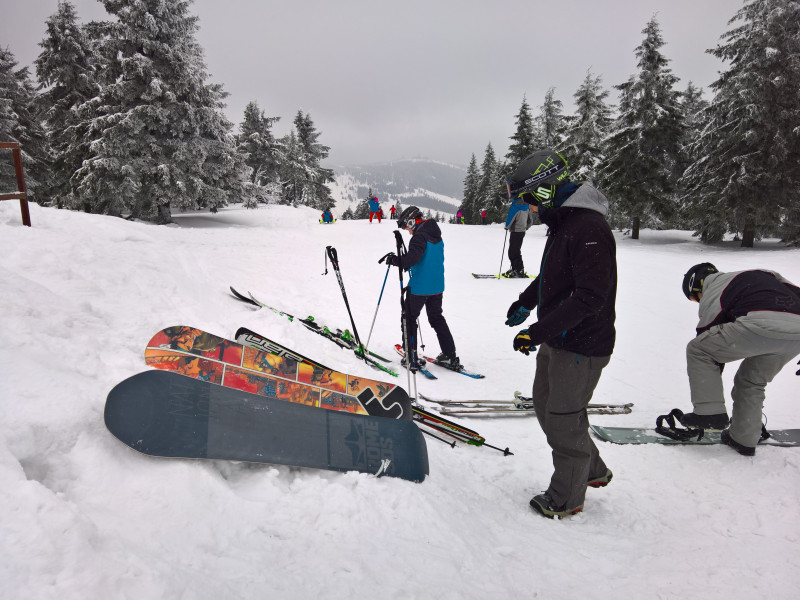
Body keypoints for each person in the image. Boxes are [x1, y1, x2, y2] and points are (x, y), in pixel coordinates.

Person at [503, 149, 617, 519]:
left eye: (529, 199)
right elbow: (554, 276)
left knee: (564, 418)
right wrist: (525, 301)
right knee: (545, 406)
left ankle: (567, 497)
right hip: (560, 338)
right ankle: (592, 468)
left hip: (582, 344)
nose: (528, 208)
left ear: (547, 189)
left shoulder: (589, 229)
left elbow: (589, 298)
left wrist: (535, 331)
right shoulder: (565, 224)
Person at [680, 263, 800, 455]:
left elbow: (707, 332)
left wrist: (711, 371)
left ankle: (710, 414)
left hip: (759, 323)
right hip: (797, 333)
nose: (698, 302)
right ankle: (743, 438)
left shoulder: (715, 286)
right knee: (752, 381)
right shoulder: (764, 274)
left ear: (698, 285)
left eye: (695, 298)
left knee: (698, 350)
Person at [384, 205, 460, 371]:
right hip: (437, 286)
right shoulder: (436, 235)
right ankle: (449, 355)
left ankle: (411, 356)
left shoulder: (419, 237)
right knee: (436, 318)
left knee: (409, 317)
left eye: (406, 227)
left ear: (411, 221)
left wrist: (394, 260)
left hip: (419, 287)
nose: (407, 231)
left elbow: (411, 259)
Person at [503, 193, 534, 277]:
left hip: (515, 231)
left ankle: (519, 270)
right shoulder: (527, 206)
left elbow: (510, 217)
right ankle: (515, 268)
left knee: (513, 251)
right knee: (515, 250)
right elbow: (531, 220)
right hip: (521, 231)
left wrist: (507, 226)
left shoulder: (515, 206)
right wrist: (525, 227)